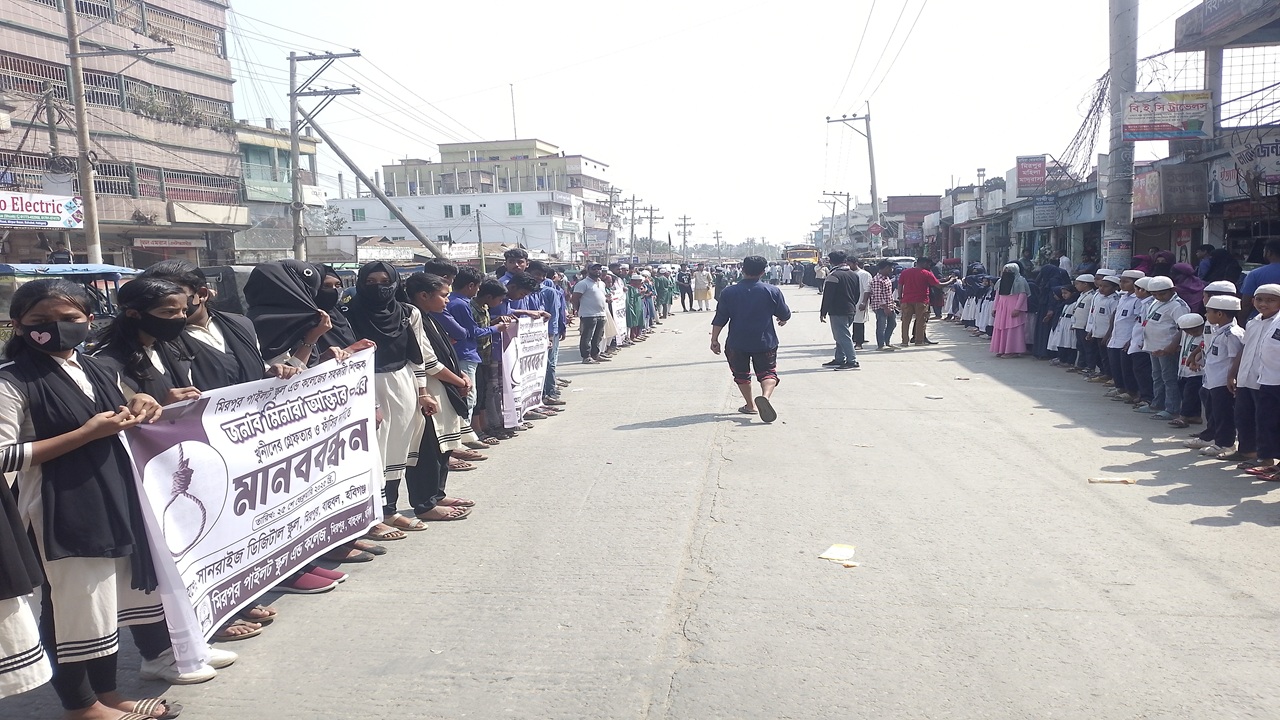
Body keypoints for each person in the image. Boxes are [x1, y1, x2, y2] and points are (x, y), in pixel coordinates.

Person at [0, 278, 191, 718]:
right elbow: (4, 454)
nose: (56, 327)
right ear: (18, 324)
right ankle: (82, 705)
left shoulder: (94, 368)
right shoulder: (11, 380)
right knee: (72, 606)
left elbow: (123, 408)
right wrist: (85, 435)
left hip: (110, 496)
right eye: (40, 319)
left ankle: (109, 694)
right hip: (58, 506)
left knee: (103, 604)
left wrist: (145, 401)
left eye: (69, 318)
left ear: (88, 320)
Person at [341, 262, 434, 534]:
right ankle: (369, 516)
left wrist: (423, 392)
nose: (378, 287)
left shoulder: (408, 313)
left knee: (396, 450)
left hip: (402, 382)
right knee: (372, 452)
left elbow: (416, 355)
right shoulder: (347, 313)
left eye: (385, 281)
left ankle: (389, 510)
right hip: (365, 386)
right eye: (371, 282)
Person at [401, 272, 480, 521]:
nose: (447, 300)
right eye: (443, 295)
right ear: (424, 296)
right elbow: (428, 362)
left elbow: (444, 354)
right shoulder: (413, 317)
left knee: (443, 447)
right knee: (428, 450)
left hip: (443, 388)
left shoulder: (428, 317)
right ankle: (425, 504)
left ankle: (437, 494)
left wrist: (459, 377)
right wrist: (458, 380)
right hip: (427, 390)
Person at [91, 278, 199, 405]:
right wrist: (167, 407)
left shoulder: (172, 350)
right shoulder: (108, 364)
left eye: (184, 311)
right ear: (134, 314)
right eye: (170, 311)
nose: (181, 317)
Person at [710, 255, 791, 423]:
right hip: (765, 341)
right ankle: (765, 397)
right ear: (763, 272)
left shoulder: (729, 292)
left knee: (741, 374)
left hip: (737, 342)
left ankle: (750, 405)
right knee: (768, 372)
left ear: (743, 269)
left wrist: (714, 340)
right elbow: (784, 313)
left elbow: (720, 318)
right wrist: (782, 319)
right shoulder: (772, 291)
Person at [1228, 283, 1280, 473]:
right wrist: (1232, 373)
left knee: (1266, 421)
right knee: (1243, 416)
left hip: (1267, 379)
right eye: (1259, 299)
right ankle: (1248, 451)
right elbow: (1245, 348)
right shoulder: (1253, 322)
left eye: (1270, 300)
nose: (1263, 304)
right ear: (1252, 300)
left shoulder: (1277, 322)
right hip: (1246, 377)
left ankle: (1265, 457)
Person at [1185, 295, 1244, 455]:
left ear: (1219, 314)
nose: (1206, 315)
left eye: (1208, 311)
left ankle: (1225, 444)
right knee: (1214, 412)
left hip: (1223, 381)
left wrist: (1231, 378)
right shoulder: (1218, 330)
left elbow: (1235, 359)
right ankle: (1213, 437)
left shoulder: (1232, 334)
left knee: (1224, 413)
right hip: (1212, 379)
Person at [1142, 276, 1192, 422]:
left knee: (1169, 378)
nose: (1159, 297)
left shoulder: (1177, 306)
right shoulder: (1156, 302)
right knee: (1157, 376)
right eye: (1154, 294)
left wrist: (1172, 346)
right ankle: (1157, 403)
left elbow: (1184, 328)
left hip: (1166, 347)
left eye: (1162, 294)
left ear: (1172, 290)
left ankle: (1172, 408)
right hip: (1153, 345)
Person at [819, 251, 861, 370]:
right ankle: (839, 358)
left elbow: (828, 296)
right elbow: (857, 294)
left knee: (843, 336)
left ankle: (852, 361)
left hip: (838, 310)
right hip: (850, 309)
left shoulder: (833, 276)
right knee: (841, 335)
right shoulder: (854, 275)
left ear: (832, 261)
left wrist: (823, 312)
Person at [897, 257, 953, 346]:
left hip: (907, 300)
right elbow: (938, 285)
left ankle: (904, 342)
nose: (929, 266)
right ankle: (919, 341)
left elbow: (900, 285)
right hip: (921, 301)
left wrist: (900, 298)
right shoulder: (926, 273)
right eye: (928, 264)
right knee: (921, 321)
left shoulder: (905, 272)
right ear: (924, 263)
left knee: (905, 321)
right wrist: (951, 281)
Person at [1169, 313, 1206, 429]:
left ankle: (1183, 416)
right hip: (1183, 369)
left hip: (1197, 371)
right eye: (1188, 331)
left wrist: (1196, 359)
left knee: (1190, 394)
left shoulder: (1206, 335)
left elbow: (1202, 349)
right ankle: (1194, 416)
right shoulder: (1185, 335)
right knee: (1185, 391)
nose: (1192, 333)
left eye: (1195, 331)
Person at [990, 263, 1031, 358]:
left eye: (1009, 270)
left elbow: (1022, 295)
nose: (1006, 272)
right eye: (1005, 270)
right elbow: (997, 295)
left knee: (1013, 328)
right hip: (1002, 308)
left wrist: (1017, 309)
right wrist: (994, 308)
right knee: (1001, 328)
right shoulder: (1001, 281)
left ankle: (1013, 351)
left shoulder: (1020, 281)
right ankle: (1002, 349)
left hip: (1013, 308)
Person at [572, 264, 608, 364]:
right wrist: (578, 309)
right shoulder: (583, 284)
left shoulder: (602, 283)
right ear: (588, 270)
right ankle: (586, 357)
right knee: (587, 337)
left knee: (598, 336)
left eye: (599, 269)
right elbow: (575, 298)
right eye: (594, 269)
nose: (597, 271)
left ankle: (595, 354)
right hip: (588, 314)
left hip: (601, 313)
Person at [1242, 240, 1280, 318]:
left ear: (1269, 252)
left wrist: (1241, 322)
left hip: (1261, 319)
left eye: (1264, 251)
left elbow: (1246, 303)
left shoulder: (1255, 274)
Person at [869, 260, 897, 351]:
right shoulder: (877, 280)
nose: (891, 270)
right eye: (890, 268)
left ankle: (887, 342)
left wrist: (892, 305)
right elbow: (878, 296)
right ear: (885, 268)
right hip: (881, 307)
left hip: (890, 306)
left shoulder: (886, 278)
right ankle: (881, 345)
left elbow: (888, 294)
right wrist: (885, 307)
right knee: (881, 326)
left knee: (892, 323)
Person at [851, 259, 873, 350]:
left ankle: (859, 343)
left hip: (860, 301)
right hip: (850, 301)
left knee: (859, 322)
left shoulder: (864, 274)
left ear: (855, 264)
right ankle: (854, 338)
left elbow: (867, 289)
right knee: (853, 322)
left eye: (849, 264)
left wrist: (864, 302)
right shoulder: (849, 273)